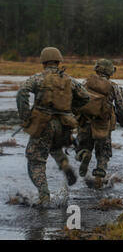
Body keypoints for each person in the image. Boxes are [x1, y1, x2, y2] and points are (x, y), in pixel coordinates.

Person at [16, 47, 90, 206]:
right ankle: (65, 166)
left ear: (43, 61)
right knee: (55, 148)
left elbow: (22, 92)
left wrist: (25, 116)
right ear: (58, 61)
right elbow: (85, 97)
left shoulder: (38, 78)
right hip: (64, 124)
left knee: (35, 160)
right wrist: (70, 110)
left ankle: (44, 197)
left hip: (43, 124)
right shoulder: (69, 80)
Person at [75, 59, 123, 181]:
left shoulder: (86, 82)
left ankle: (84, 154)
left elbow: (76, 101)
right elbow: (121, 108)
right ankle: (98, 178)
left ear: (96, 68)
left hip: (85, 122)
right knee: (103, 153)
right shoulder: (114, 87)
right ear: (111, 71)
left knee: (82, 147)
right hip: (103, 124)